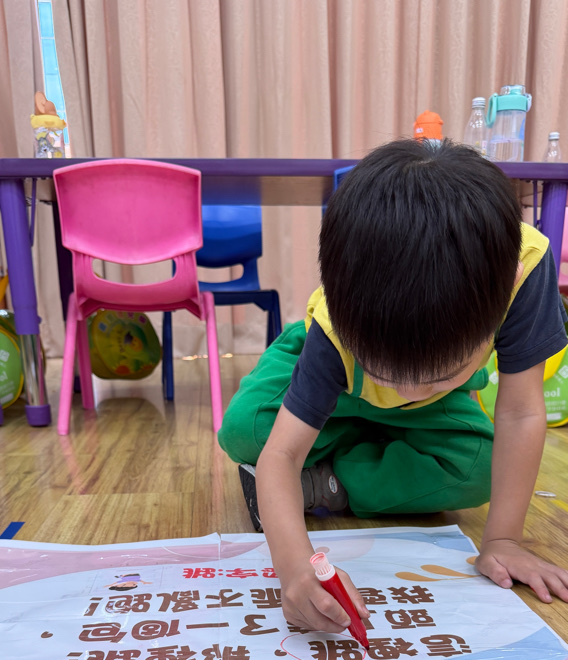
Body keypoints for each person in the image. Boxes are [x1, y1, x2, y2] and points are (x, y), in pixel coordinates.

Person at [218, 139, 568, 632]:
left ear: (504, 291)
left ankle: (328, 481)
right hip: (340, 386)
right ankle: (362, 442)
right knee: (246, 430)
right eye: (386, 373)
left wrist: (504, 540)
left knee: (483, 470)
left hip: (430, 412)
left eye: (440, 374)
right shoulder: (334, 330)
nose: (408, 393)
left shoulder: (525, 270)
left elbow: (521, 412)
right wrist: (295, 567)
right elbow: (280, 454)